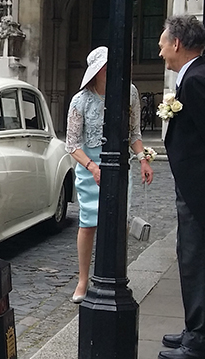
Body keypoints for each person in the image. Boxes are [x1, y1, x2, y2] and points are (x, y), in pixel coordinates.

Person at [65, 46, 154, 304]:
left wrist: (142, 160)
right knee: (88, 223)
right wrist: (92, 167)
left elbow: (134, 133)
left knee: (119, 223)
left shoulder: (131, 93)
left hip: (118, 166)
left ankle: (115, 273)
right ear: (98, 70)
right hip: (89, 167)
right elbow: (72, 144)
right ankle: (83, 278)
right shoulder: (80, 101)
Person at [157, 15, 205, 359]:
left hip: (198, 194)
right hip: (192, 190)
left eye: (161, 44)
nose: (160, 52)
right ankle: (193, 327)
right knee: (189, 260)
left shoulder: (197, 81)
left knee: (195, 261)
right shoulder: (195, 77)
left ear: (176, 43)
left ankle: (198, 340)